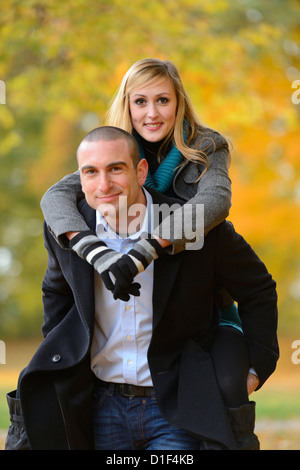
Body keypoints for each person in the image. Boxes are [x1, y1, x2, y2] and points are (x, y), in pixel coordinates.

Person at [6, 127, 278, 451]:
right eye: (91, 172)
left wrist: (257, 367)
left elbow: (258, 289)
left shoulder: (193, 225)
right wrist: (63, 352)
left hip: (176, 406)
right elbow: (56, 291)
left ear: (141, 170)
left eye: (116, 169)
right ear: (79, 179)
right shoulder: (68, 231)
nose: (103, 185)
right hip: (100, 406)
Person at [40, 59, 258, 424]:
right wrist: (92, 250)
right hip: (129, 297)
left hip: (197, 293)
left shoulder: (205, 146)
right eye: (140, 101)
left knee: (225, 385)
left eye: (163, 100)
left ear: (179, 103)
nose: (151, 113)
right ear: (127, 105)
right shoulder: (113, 149)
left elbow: (216, 202)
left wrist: (148, 248)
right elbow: (54, 197)